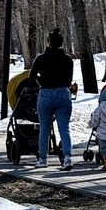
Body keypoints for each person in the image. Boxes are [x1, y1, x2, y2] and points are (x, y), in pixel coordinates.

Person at [27, 28, 74, 171]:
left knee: (44, 128)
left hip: (45, 94)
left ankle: (43, 159)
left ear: (48, 42)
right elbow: (68, 80)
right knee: (64, 128)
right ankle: (67, 158)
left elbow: (31, 77)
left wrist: (40, 83)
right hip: (63, 94)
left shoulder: (41, 58)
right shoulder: (67, 59)